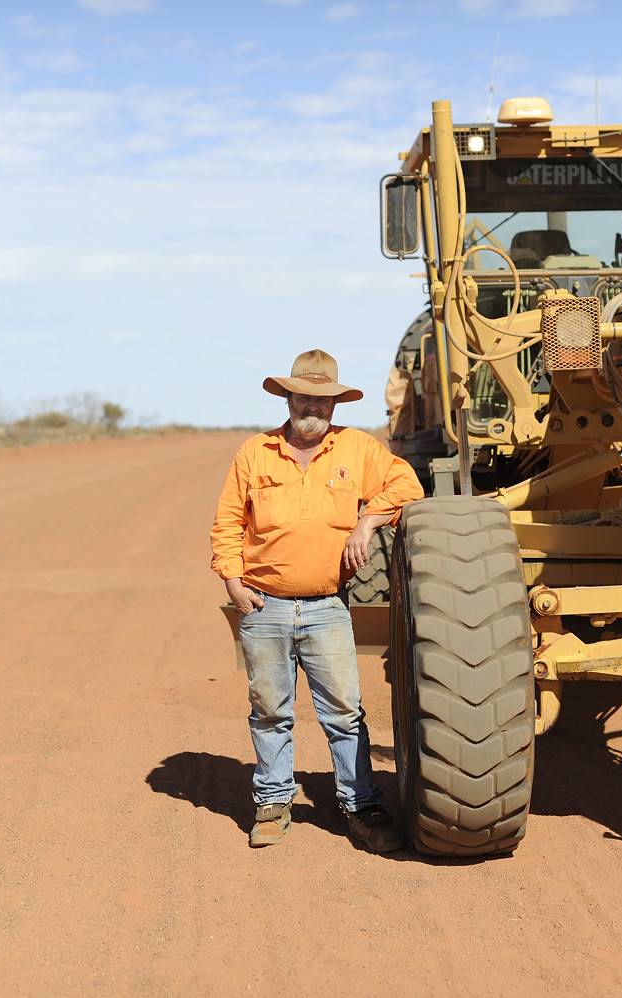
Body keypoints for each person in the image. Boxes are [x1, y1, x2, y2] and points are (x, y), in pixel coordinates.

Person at [210, 349, 424, 850]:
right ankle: (272, 803)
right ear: (289, 397)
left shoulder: (356, 449)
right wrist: (233, 582)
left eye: (325, 400)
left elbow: (406, 484)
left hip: (328, 607)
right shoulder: (255, 452)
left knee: (345, 713)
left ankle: (361, 807)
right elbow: (227, 523)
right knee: (269, 710)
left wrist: (369, 521)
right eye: (306, 397)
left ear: (336, 404)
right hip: (264, 605)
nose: (315, 407)